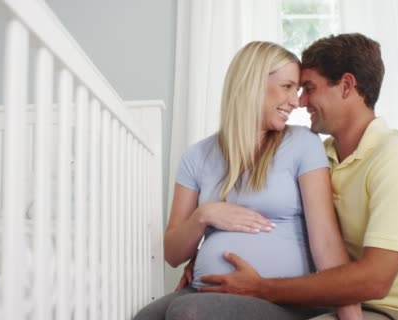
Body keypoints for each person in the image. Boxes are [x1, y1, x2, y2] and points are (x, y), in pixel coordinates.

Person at [196, 33, 398, 320]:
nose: (301, 102)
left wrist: (261, 288)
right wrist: (206, 257)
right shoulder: (321, 155)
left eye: (308, 88)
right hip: (339, 305)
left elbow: (375, 281)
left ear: (346, 86)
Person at [134, 41, 361, 320]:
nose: (295, 101)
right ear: (252, 82)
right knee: (145, 318)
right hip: (206, 292)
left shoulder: (303, 143)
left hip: (280, 300)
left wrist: (351, 317)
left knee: (188, 312)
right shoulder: (197, 155)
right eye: (288, 87)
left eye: (298, 90)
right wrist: (204, 215)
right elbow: (172, 253)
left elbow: (326, 241)